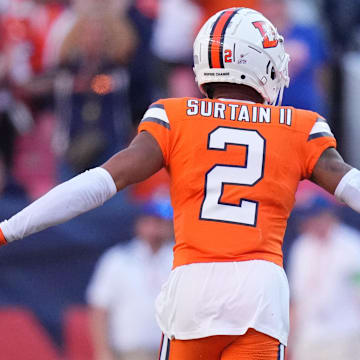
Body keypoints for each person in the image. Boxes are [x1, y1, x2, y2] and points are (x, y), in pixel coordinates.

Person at [1, 7, 360, 360]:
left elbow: (100, 182)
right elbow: (349, 184)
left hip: (192, 287)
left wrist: (9, 229)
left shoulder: (175, 115)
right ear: (260, 62)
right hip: (259, 291)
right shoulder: (300, 126)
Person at [87, 198, 173, 360]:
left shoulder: (178, 259)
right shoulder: (118, 259)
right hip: (130, 352)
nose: (155, 229)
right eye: (149, 222)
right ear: (139, 225)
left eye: (161, 223)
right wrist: (102, 350)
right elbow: (100, 309)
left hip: (171, 350)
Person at [288, 195, 360, 360]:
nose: (311, 224)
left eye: (315, 217)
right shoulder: (301, 248)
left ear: (328, 216)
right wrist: (290, 339)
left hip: (345, 334)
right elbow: (296, 299)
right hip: (309, 337)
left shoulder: (352, 246)